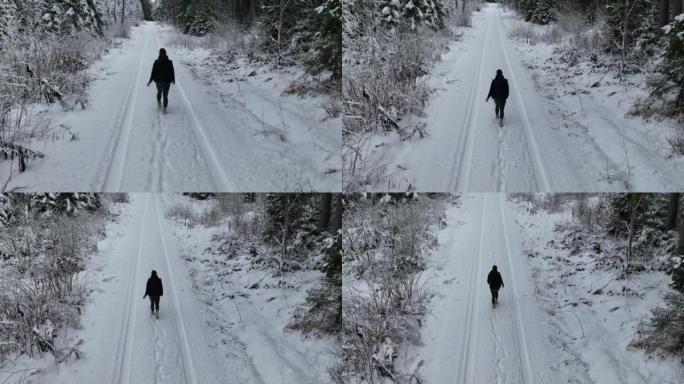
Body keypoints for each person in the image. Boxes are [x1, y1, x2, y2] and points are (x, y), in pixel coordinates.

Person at [147, 48, 175, 113]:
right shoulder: (169, 62)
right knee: (165, 95)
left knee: (159, 92)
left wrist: (150, 81)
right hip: (167, 82)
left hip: (158, 81)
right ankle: (164, 109)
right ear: (165, 53)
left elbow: (153, 73)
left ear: (159, 53)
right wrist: (173, 79)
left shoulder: (156, 62)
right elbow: (172, 72)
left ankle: (159, 103)